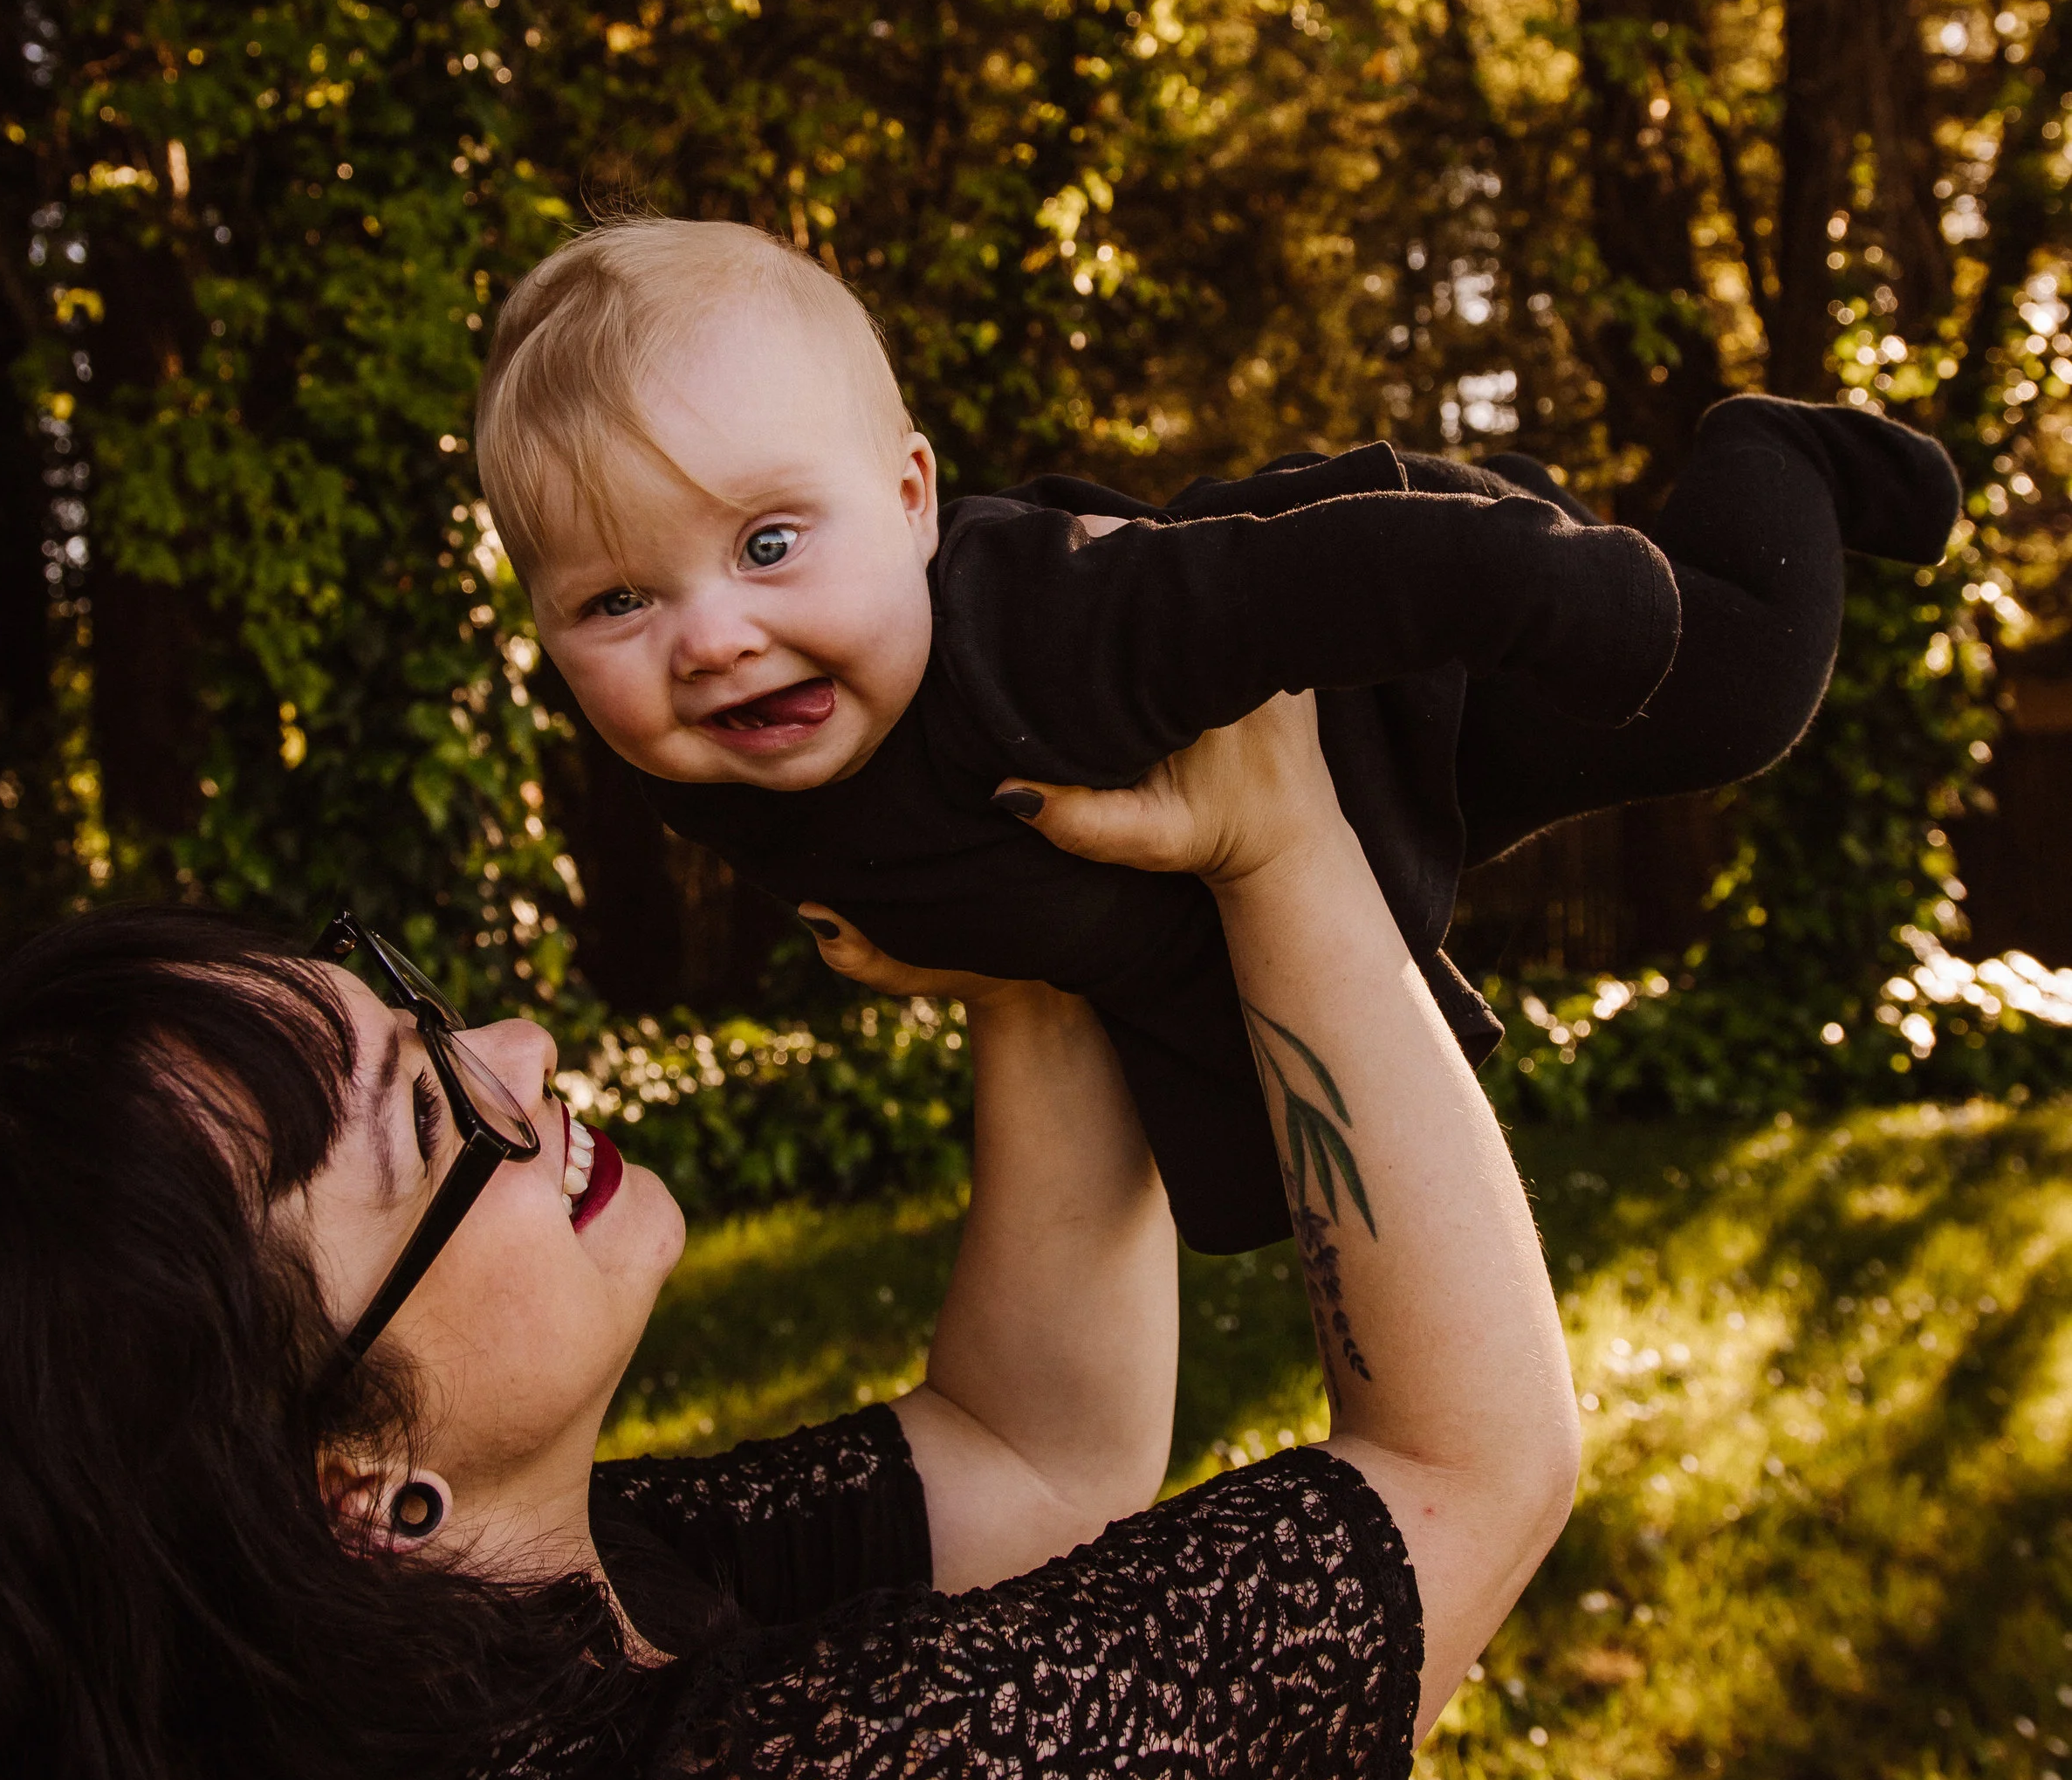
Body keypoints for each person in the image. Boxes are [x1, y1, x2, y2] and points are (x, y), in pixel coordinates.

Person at [0, 694, 1576, 1780]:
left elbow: (1028, 1453)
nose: (520, 1053)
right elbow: (1463, 1468)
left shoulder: (467, 1670)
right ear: (350, 1489)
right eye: (425, 1116)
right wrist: (1281, 835)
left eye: (417, 1015)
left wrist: (1023, 946)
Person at [475, 210, 1961, 1247]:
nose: (709, 638)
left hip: (1408, 657)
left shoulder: (1040, 632)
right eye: (617, 598)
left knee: (1741, 689)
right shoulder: (709, 757)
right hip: (1356, 801)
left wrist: (1554, 592)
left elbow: (1296, 583)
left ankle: (1773, 450)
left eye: (769, 544)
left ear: (913, 502)